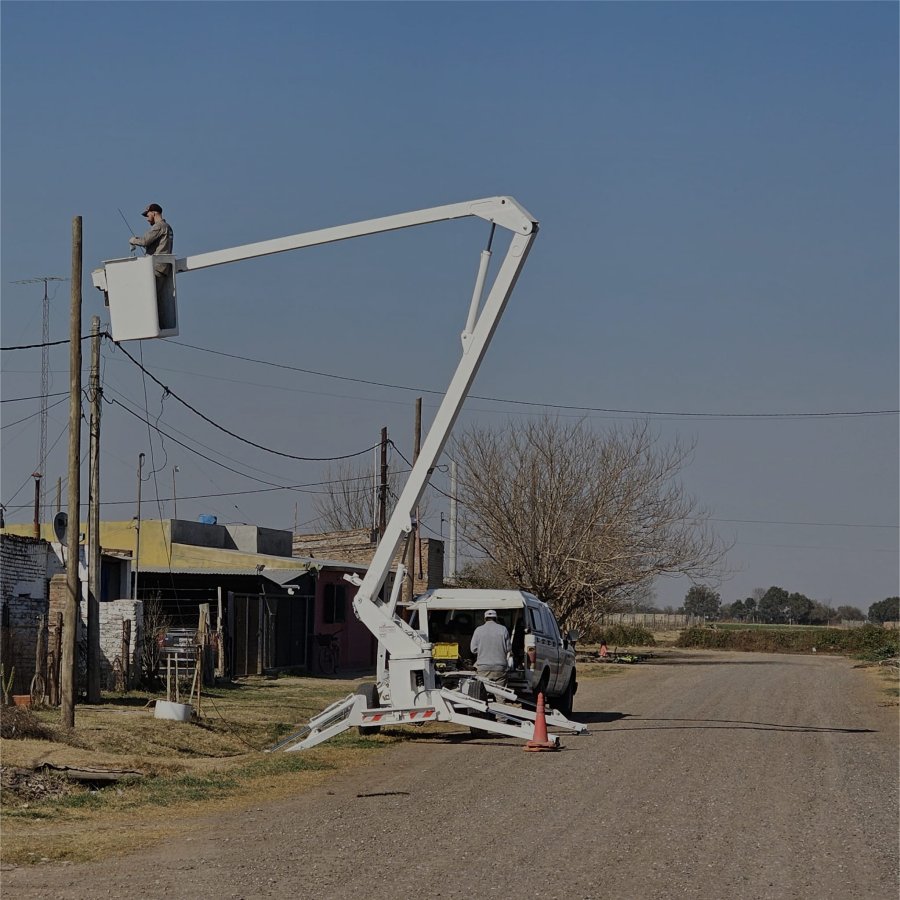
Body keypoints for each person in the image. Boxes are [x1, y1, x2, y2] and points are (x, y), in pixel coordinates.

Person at [129, 203, 174, 278]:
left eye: (147, 215)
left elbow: (145, 241)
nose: (147, 219)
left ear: (153, 213)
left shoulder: (159, 226)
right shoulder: (168, 227)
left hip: (156, 268)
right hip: (164, 269)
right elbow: (160, 245)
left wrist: (133, 240)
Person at [470, 609, 511, 688]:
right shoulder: (503, 629)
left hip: (483, 667)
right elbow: (508, 648)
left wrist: (483, 650)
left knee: (482, 694)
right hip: (500, 668)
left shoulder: (478, 630)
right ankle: (500, 700)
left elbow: (473, 649)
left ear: (485, 619)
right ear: (496, 618)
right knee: (500, 694)